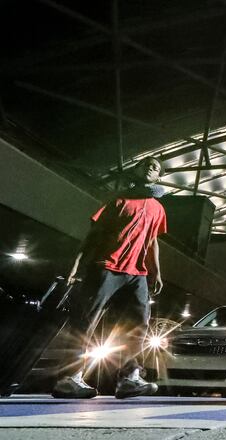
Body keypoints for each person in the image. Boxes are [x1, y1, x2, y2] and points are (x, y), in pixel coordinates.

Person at [52, 157, 167, 399]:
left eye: (155, 167)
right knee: (87, 320)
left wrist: (156, 271)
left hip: (137, 274)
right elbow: (93, 235)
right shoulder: (118, 200)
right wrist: (76, 264)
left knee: (138, 325)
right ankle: (69, 378)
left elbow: (153, 241)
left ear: (159, 176)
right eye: (145, 164)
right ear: (136, 170)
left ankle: (129, 379)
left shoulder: (158, 209)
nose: (150, 167)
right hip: (106, 267)